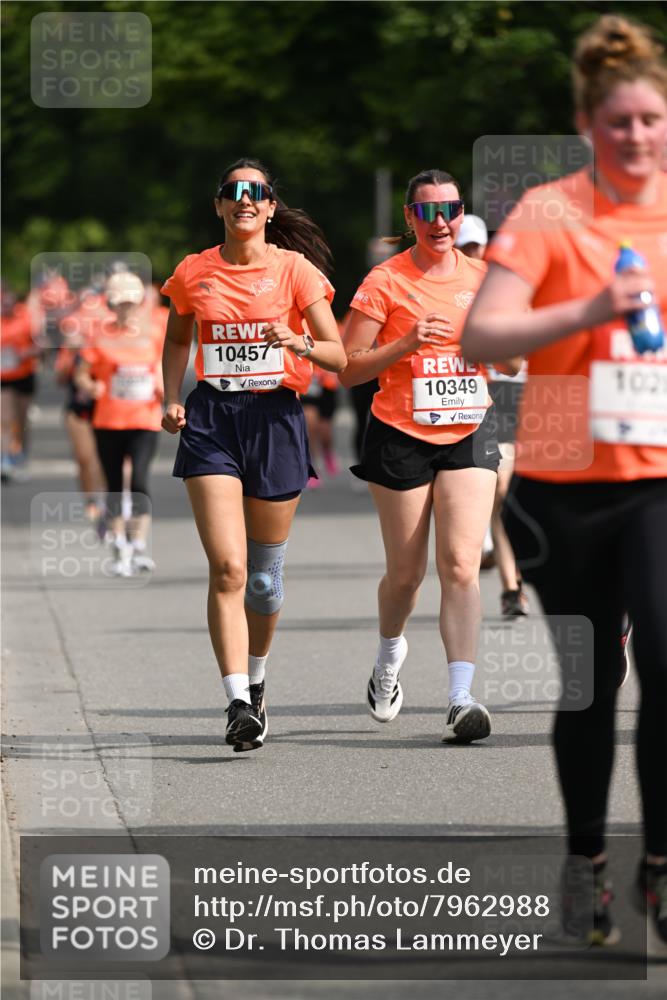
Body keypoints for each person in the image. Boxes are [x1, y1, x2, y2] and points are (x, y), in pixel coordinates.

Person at [461, 15, 667, 943]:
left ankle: (659, 863)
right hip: (568, 484)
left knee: (666, 666)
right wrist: (585, 308)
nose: (637, 136)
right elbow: (482, 334)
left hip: (660, 480)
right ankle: (586, 859)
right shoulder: (550, 212)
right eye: (619, 121)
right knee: (592, 682)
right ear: (588, 122)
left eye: (651, 120)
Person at [160, 158, 346, 752]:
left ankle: (258, 681)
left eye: (256, 193)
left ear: (269, 207)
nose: (244, 200)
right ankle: (237, 701)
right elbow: (177, 337)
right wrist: (169, 398)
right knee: (229, 569)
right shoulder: (194, 272)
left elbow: (339, 356)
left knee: (263, 581)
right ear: (219, 205)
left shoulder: (296, 271)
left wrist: (300, 342)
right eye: (233, 192)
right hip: (213, 418)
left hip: (276, 419)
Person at [341, 169, 521, 744]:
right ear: (409, 219)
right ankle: (388, 659)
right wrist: (407, 343)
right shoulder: (384, 281)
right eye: (426, 212)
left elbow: (514, 362)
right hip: (399, 433)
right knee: (406, 574)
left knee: (463, 565)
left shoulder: (486, 277)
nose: (439, 222)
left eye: (449, 209)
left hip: (469, 428)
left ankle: (460, 698)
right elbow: (347, 366)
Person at [75, 271, 166, 575]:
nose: (125, 308)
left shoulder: (153, 333)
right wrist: (91, 387)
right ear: (111, 305)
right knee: (115, 484)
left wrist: (165, 389)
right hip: (109, 421)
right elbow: (81, 374)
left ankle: (138, 543)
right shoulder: (99, 336)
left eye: (131, 302)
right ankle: (118, 546)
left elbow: (161, 367)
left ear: (139, 303)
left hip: (145, 419)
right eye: (120, 303)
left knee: (139, 480)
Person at [1, 284, 40, 481]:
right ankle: (5, 458)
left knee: (22, 420)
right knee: (5, 418)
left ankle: (22, 455)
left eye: (8, 304)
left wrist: (27, 353)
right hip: (3, 378)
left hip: (24, 375)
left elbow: (41, 346)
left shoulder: (26, 319)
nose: (5, 308)